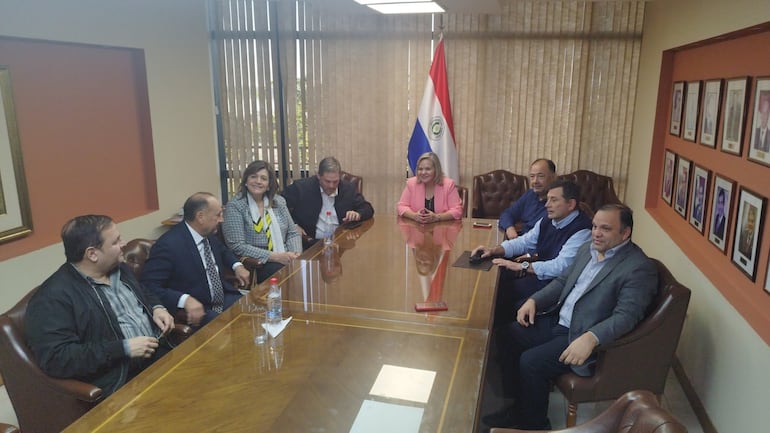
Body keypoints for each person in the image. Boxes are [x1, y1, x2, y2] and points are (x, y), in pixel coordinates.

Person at [485, 204, 657, 430]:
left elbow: (627, 316)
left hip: (579, 335)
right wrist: (534, 300)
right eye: (595, 226)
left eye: (605, 228)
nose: (596, 232)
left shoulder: (638, 268)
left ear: (625, 233)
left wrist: (592, 337)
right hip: (558, 320)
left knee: (531, 362)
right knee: (505, 336)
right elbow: (562, 281)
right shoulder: (588, 249)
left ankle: (533, 424)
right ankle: (516, 407)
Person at [25, 215, 176, 397]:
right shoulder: (52, 298)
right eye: (116, 241)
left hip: (160, 355)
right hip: (121, 378)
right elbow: (58, 359)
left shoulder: (118, 268)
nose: (124, 243)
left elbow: (144, 292)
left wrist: (158, 307)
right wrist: (123, 348)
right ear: (92, 254)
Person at [472, 180, 592, 325]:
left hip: (557, 286)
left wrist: (520, 266)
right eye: (547, 199)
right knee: (497, 287)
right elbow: (524, 242)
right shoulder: (548, 220)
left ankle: (504, 338)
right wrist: (494, 250)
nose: (547, 205)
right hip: (540, 277)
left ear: (571, 204)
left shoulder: (582, 230)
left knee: (502, 297)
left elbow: (560, 267)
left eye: (553, 200)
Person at [141, 192, 250, 327]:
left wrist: (237, 265)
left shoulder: (206, 233)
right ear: (200, 217)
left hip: (224, 297)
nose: (221, 219)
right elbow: (149, 286)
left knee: (252, 312)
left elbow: (222, 250)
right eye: (218, 215)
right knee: (225, 328)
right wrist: (184, 299)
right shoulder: (168, 245)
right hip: (199, 308)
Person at [223, 160, 302, 283]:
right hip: (258, 263)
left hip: (285, 255)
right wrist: (275, 257)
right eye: (253, 177)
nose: (258, 181)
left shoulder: (279, 202)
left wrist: (296, 255)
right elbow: (237, 246)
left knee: (306, 269)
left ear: (269, 185)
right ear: (246, 181)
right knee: (286, 274)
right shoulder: (235, 206)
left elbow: (292, 233)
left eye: (263, 178)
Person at [283, 156, 374, 247]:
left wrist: (358, 214)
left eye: (335, 182)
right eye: (327, 181)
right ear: (318, 176)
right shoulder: (301, 188)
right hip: (310, 243)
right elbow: (280, 206)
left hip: (340, 243)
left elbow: (367, 208)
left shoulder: (348, 189)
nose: (332, 186)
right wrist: (293, 225)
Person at [498, 159, 558, 240]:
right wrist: (509, 228)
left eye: (540, 176)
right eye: (532, 176)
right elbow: (507, 214)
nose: (535, 181)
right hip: (520, 242)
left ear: (553, 177)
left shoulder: (558, 202)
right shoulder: (530, 194)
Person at [397, 151, 463, 223]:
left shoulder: (448, 185)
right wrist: (414, 216)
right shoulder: (411, 183)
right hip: (417, 230)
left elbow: (458, 211)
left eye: (428, 169)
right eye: (420, 169)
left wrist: (437, 217)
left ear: (436, 170)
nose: (423, 172)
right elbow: (401, 207)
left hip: (442, 229)